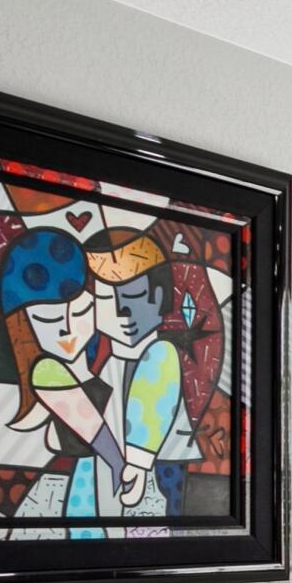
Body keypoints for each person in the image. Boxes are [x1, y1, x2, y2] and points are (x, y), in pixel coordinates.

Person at [0, 228, 124, 536]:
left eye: (81, 312)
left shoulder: (102, 366)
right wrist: (122, 466)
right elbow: (94, 431)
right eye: (48, 320)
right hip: (72, 483)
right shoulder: (46, 370)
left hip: (96, 479)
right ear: (23, 325)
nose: (68, 330)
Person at [81, 223, 194, 522]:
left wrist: (139, 464)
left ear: (159, 297)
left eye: (134, 295)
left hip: (160, 476)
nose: (122, 311)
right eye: (107, 300)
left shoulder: (162, 356)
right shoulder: (103, 366)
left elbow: (153, 404)